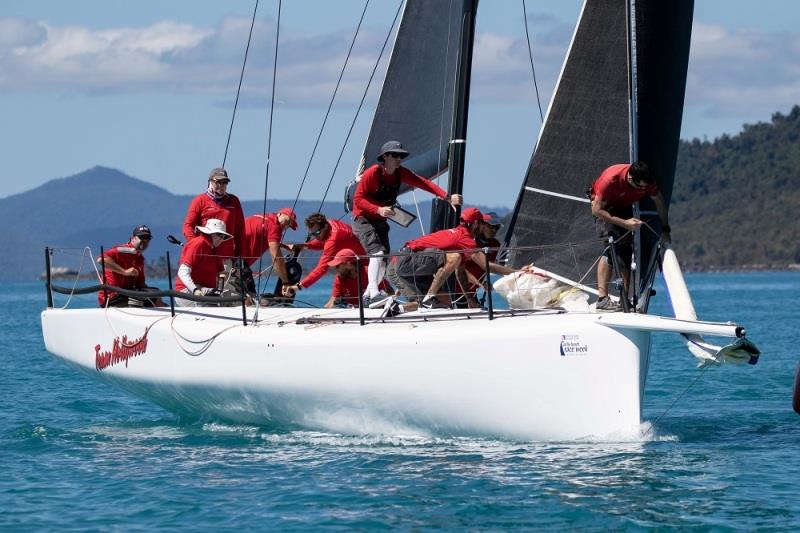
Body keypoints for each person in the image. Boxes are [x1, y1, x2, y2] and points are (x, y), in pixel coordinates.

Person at [353, 140, 463, 304]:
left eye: (401, 155)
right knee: (377, 253)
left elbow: (423, 183)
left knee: (384, 258)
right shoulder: (374, 172)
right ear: (385, 156)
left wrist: (447, 197)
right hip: (363, 219)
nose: (399, 158)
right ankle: (374, 292)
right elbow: (358, 199)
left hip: (381, 221)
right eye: (395, 155)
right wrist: (378, 210)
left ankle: (369, 294)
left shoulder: (400, 173)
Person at [589, 161, 670, 311]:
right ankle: (602, 300)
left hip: (624, 206)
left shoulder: (646, 181)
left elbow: (659, 201)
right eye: (640, 187)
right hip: (604, 208)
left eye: (646, 187)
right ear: (631, 179)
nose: (644, 190)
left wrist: (665, 228)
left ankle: (623, 300)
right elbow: (596, 210)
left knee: (625, 252)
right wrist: (625, 224)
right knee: (611, 247)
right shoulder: (610, 179)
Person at [388, 207, 489, 309]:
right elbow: (460, 270)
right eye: (484, 224)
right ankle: (395, 309)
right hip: (400, 265)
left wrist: (472, 296)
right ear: (476, 224)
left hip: (415, 267)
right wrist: (479, 283)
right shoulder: (459, 239)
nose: (485, 227)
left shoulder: (457, 240)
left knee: (446, 300)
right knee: (421, 303)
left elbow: (460, 271)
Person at [284, 213, 367, 296]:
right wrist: (305, 246)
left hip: (364, 265)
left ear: (325, 226)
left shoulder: (333, 239)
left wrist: (298, 287)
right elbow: (324, 241)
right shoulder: (329, 223)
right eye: (313, 234)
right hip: (357, 261)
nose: (316, 237)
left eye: (317, 232)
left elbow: (321, 269)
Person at [182, 167, 245, 269]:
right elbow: (188, 226)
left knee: (226, 284)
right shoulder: (199, 201)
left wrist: (240, 255)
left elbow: (240, 231)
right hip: (204, 256)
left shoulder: (234, 201)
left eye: (225, 182)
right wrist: (195, 245)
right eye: (218, 182)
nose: (221, 185)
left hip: (226, 257)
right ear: (210, 181)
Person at [457, 212, 518, 304]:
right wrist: (517, 272)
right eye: (491, 226)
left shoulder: (495, 244)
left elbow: (488, 268)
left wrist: (483, 283)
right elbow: (460, 269)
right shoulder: (470, 241)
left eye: (496, 227)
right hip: (458, 290)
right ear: (482, 225)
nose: (494, 230)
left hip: (473, 291)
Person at [97, 225, 162, 307]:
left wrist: (154, 293)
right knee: (138, 299)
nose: (145, 241)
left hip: (127, 294)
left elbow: (140, 284)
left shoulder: (140, 258)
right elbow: (101, 259)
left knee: (156, 294)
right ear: (133, 238)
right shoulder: (122, 249)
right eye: (142, 237)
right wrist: (124, 272)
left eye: (147, 238)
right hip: (111, 297)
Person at [174, 218, 233, 306]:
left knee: (233, 296)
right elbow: (182, 272)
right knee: (219, 303)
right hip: (187, 291)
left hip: (205, 289)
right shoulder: (198, 244)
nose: (222, 239)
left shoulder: (215, 249)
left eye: (224, 237)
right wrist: (195, 290)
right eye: (220, 235)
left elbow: (221, 274)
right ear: (210, 234)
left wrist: (233, 273)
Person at [241, 208, 299, 294]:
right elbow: (276, 257)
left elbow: (262, 235)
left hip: (227, 256)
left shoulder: (264, 217)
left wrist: (284, 246)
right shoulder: (275, 226)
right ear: (279, 214)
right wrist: (285, 282)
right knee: (250, 298)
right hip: (239, 261)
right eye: (287, 221)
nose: (286, 226)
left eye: (289, 225)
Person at [322, 248, 390, 309]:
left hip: (370, 311)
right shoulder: (340, 277)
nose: (335, 268)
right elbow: (332, 302)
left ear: (349, 264)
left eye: (338, 265)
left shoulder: (369, 273)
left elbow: (390, 292)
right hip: (350, 312)